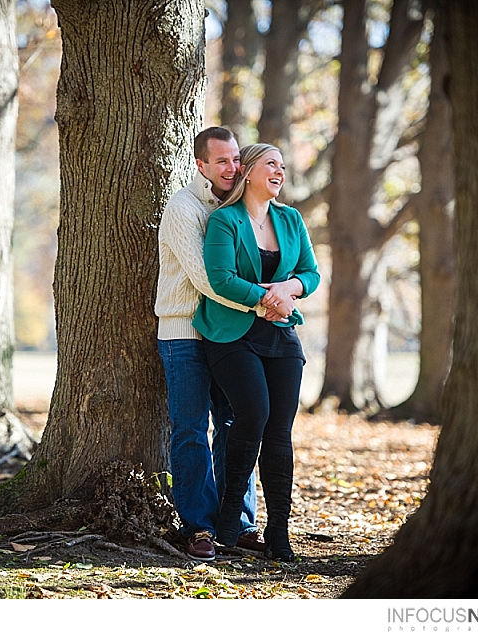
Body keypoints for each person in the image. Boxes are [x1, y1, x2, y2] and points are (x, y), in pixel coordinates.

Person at [155, 127, 285, 561]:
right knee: (191, 428)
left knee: (235, 424)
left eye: (236, 160)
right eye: (223, 161)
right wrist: (266, 302)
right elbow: (208, 279)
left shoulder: (236, 208)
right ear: (201, 165)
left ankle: (239, 522)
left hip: (230, 334)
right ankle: (199, 526)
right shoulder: (184, 208)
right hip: (186, 333)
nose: (233, 168)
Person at [193, 143, 320, 561]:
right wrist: (267, 299)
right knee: (253, 415)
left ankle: (278, 533)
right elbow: (221, 278)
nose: (279, 171)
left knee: (280, 431)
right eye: (271, 164)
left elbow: (310, 273)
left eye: (283, 166)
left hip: (281, 335)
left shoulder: (290, 219)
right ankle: (230, 522)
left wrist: (287, 290)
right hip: (232, 335)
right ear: (247, 172)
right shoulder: (224, 221)